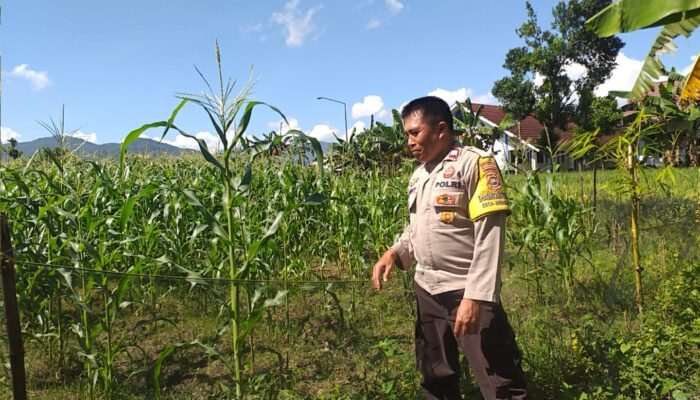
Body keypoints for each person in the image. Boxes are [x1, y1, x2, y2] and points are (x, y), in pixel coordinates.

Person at [371, 96, 527, 400]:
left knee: (498, 380)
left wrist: (476, 296)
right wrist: (395, 252)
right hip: (427, 289)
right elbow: (417, 228)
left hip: (466, 291)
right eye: (407, 134)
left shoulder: (475, 164)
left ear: (441, 129)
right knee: (436, 375)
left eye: (414, 133)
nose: (409, 142)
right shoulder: (419, 175)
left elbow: (490, 235)